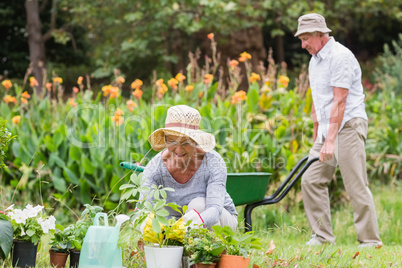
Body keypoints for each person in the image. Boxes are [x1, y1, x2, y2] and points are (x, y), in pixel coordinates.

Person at [294, 13, 382, 247]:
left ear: (321, 35)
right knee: (311, 180)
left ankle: (370, 241)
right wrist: (317, 135)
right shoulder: (315, 60)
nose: (303, 45)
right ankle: (322, 237)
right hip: (327, 130)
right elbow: (317, 99)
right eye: (301, 39)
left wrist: (330, 140)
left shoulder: (340, 56)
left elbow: (339, 101)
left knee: (355, 184)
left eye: (306, 39)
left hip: (349, 126)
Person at [139, 105, 238, 230]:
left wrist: (185, 227)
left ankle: (205, 249)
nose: (179, 149)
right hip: (175, 226)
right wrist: (158, 231)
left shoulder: (213, 161)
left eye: (186, 143)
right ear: (165, 140)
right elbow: (143, 210)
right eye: (172, 142)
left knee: (198, 206)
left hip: (221, 221)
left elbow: (215, 210)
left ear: (196, 141)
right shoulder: (154, 168)